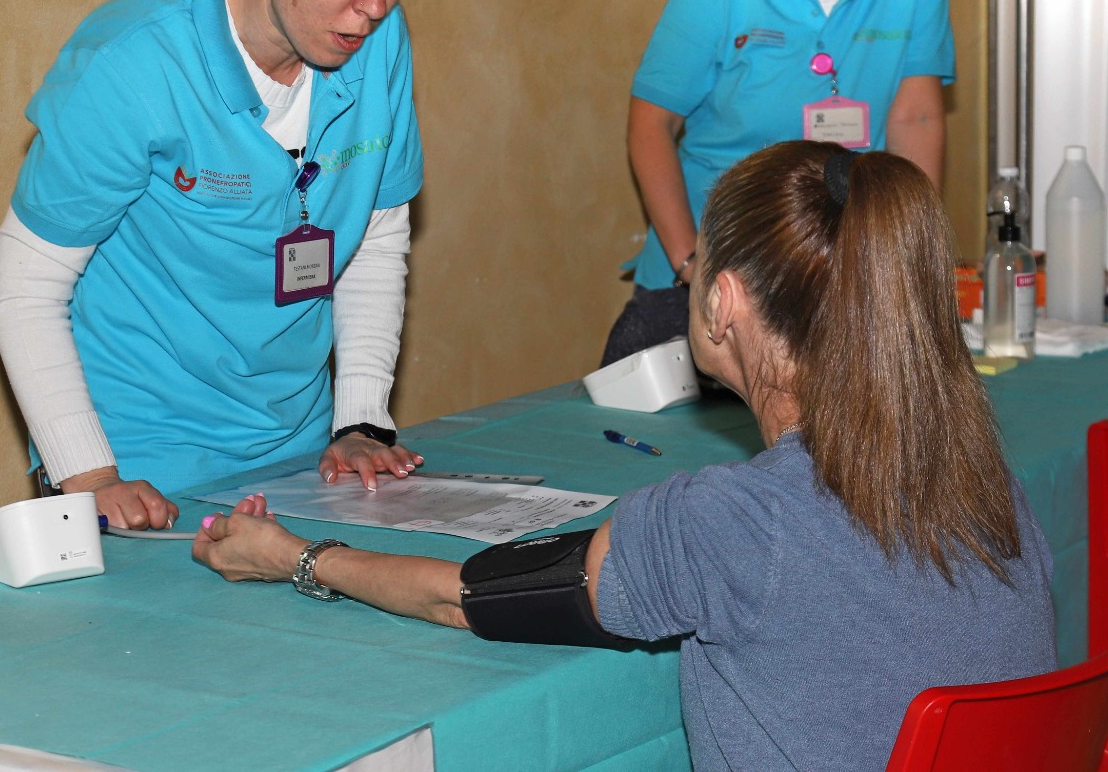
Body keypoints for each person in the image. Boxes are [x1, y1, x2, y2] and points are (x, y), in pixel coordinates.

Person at [193, 141, 1057, 771]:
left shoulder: (734, 522)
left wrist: (295, 555)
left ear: (723, 303)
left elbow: (470, 598)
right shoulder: (993, 491)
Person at [0, 0, 434, 530]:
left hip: (297, 450)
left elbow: (376, 237)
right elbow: (28, 284)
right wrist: (89, 475)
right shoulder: (133, 61)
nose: (376, 1)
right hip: (138, 461)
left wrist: (361, 420)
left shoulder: (377, 39)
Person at [601, 0, 955, 367]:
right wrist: (693, 266)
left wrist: (908, 261)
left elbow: (915, 116)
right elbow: (650, 126)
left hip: (839, 271)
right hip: (716, 266)